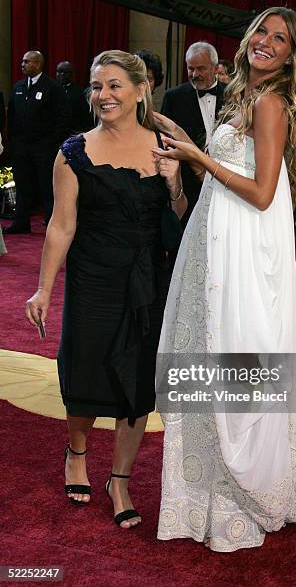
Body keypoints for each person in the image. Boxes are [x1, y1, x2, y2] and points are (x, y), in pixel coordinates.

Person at [152, 7, 296, 552]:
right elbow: (225, 176)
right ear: (247, 40)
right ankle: (208, 491)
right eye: (262, 33)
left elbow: (262, 192)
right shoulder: (243, 98)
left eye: (280, 39)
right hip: (218, 238)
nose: (267, 43)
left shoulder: (270, 103)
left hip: (247, 252)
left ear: (293, 55)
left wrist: (198, 152)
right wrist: (185, 141)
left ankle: (246, 491)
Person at [25, 51, 186, 528]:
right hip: (93, 278)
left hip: (148, 280)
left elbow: (183, 221)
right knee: (86, 370)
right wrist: (43, 290)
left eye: (115, 85)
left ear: (141, 90)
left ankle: (120, 479)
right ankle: (76, 451)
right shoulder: (73, 151)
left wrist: (176, 183)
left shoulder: (168, 144)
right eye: (97, 87)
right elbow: (61, 225)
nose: (103, 95)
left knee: (136, 381)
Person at [160, 41, 226, 222]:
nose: (195, 74)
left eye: (201, 69)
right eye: (191, 68)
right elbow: (165, 138)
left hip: (225, 180)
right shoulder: (173, 97)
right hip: (187, 182)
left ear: (215, 67)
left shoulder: (233, 94)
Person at [5, 51, 69, 233]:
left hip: (43, 147)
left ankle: (51, 223)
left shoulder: (51, 88)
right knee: (22, 184)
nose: (22, 64)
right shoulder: (18, 87)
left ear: (38, 64)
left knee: (47, 186)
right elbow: (13, 116)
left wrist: (51, 142)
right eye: (22, 61)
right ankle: (21, 222)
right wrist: (13, 142)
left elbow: (62, 118)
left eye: (27, 61)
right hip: (21, 148)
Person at [56, 60, 94, 134]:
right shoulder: (50, 90)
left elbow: (85, 117)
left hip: (73, 133)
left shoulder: (81, 92)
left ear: (72, 74)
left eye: (66, 72)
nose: (62, 74)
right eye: (59, 71)